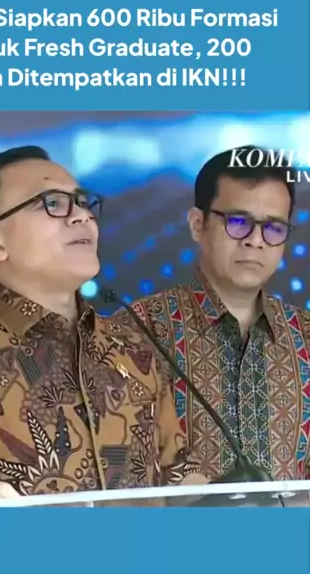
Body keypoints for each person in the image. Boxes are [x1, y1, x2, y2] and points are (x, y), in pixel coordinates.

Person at [0, 145, 207, 505]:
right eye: (52, 203)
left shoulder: (135, 352)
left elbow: (178, 474)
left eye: (82, 202)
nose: (81, 217)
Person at [132, 146, 310, 482]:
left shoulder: (306, 333)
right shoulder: (138, 329)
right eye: (238, 222)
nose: (256, 240)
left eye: (274, 227)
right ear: (198, 224)